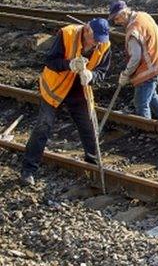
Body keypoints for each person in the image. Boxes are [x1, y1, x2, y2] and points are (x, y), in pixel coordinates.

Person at [20, 19, 112, 186]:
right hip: (55, 88)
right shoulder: (67, 34)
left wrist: (92, 76)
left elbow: (102, 71)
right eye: (95, 39)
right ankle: (28, 169)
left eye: (100, 40)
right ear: (87, 30)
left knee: (89, 127)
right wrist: (69, 64)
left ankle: (93, 169)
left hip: (79, 91)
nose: (97, 43)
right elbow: (51, 61)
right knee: (43, 126)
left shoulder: (104, 45)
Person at [108, 1, 158, 123]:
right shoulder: (143, 15)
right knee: (151, 95)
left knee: (141, 103)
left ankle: (147, 131)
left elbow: (136, 57)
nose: (116, 22)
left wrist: (126, 74)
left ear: (124, 13)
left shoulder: (133, 31)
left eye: (117, 18)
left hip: (149, 70)